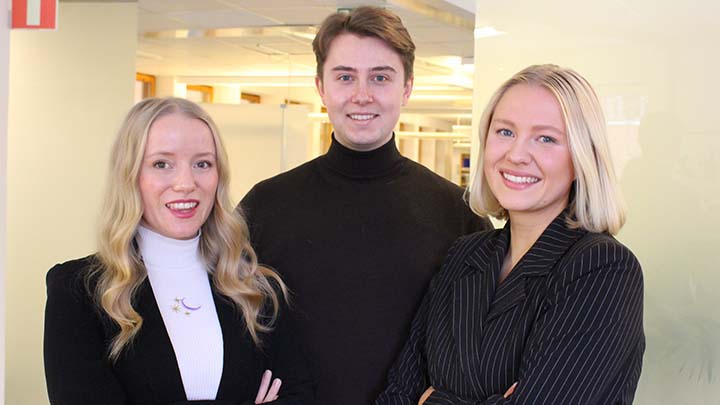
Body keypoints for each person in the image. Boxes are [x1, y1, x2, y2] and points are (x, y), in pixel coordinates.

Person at [239, 6, 492, 405]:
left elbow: (480, 341)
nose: (362, 95)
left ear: (407, 87)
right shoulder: (264, 206)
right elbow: (227, 326)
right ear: (321, 87)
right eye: (345, 77)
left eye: (380, 77)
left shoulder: (456, 212)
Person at [376, 64, 645, 404]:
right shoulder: (465, 255)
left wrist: (432, 399)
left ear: (581, 158)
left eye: (546, 138)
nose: (516, 155)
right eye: (505, 132)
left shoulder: (603, 268)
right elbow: (398, 393)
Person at [44, 97, 314, 404]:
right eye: (162, 164)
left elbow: (300, 395)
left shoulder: (255, 290)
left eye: (202, 164)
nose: (186, 183)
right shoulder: (79, 291)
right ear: (130, 176)